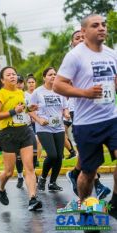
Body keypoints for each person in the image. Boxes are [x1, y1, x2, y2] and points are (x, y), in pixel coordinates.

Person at [53, 14, 117, 219]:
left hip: (112, 118)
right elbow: (58, 85)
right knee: (88, 173)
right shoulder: (75, 56)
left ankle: (114, 203)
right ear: (83, 31)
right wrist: (85, 93)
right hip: (87, 124)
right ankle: (85, 208)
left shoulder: (111, 53)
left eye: (104, 25)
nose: (101, 28)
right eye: (95, 25)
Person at [63, 29, 111, 200]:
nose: (81, 40)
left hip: (104, 111)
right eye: (77, 38)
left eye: (83, 37)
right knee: (91, 153)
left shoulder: (100, 56)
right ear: (72, 43)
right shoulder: (72, 59)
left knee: (91, 154)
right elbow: (62, 86)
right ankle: (91, 184)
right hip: (82, 113)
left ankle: (77, 173)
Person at [0, 66, 42, 211]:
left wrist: (29, 109)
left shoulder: (20, 92)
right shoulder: (0, 94)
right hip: (8, 133)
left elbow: (22, 109)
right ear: (2, 80)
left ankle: (32, 198)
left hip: (24, 131)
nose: (13, 76)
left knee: (30, 167)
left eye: (14, 74)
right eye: (9, 75)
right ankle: (1, 188)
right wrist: (14, 111)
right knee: (9, 171)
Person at [29, 67, 70, 192]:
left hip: (58, 127)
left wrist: (66, 113)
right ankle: (42, 178)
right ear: (44, 77)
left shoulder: (59, 91)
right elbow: (29, 110)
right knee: (52, 155)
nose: (53, 76)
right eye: (50, 74)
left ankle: (52, 182)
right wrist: (39, 119)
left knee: (59, 156)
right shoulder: (38, 92)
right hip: (44, 127)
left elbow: (65, 107)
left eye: (55, 74)